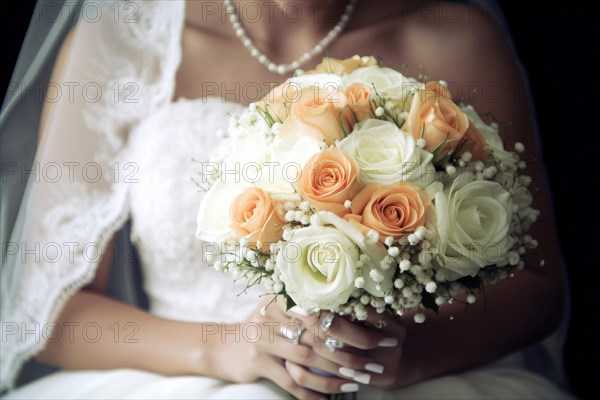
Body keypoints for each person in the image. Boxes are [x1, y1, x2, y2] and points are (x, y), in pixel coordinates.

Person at [0, 0, 573, 398]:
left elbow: (538, 287)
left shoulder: (452, 37)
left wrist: (410, 354)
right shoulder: (117, 43)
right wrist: (223, 349)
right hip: (181, 379)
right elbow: (51, 314)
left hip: (412, 383)